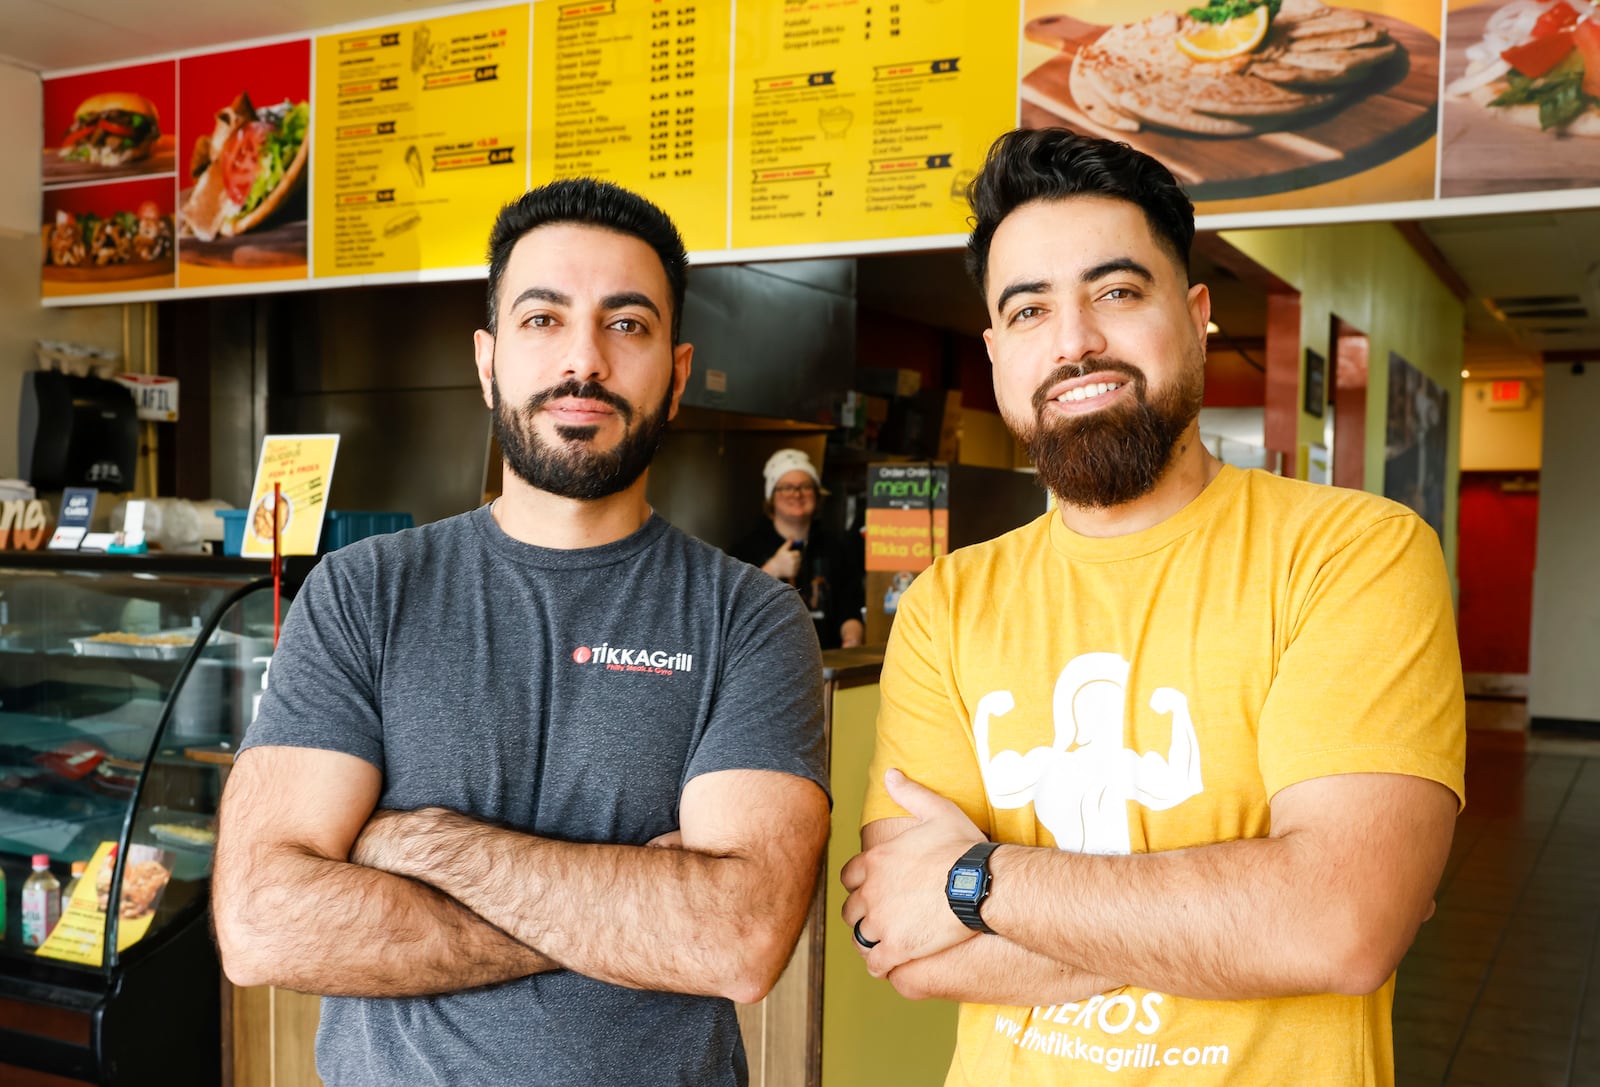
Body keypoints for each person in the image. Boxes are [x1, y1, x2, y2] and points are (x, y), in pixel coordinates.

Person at [839, 128, 1465, 1086]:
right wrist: (1258, 916)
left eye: (1118, 292)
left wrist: (976, 883)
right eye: (1030, 309)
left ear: (1197, 312)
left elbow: (1339, 926)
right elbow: (907, 942)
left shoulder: (1354, 553)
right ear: (998, 352)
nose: (1076, 338)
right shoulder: (945, 605)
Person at [212, 178, 832, 1086]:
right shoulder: (362, 593)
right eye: (543, 319)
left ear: (680, 370)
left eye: (628, 324)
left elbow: (735, 938)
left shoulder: (750, 618)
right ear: (488, 358)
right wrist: (625, 916)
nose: (585, 360)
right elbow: (262, 922)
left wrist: (417, 844)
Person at [732, 448, 866, 649]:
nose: (796, 494)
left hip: (826, 665)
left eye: (805, 486)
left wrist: (852, 640)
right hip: (766, 666)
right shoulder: (745, 551)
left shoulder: (836, 548)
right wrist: (772, 570)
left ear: (817, 494)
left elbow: (850, 609)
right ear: (771, 497)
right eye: (786, 487)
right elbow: (732, 611)